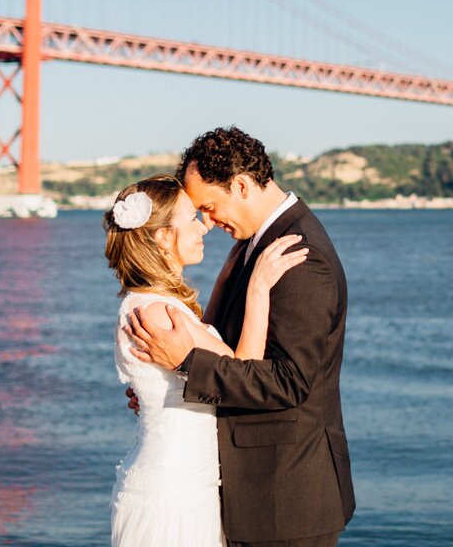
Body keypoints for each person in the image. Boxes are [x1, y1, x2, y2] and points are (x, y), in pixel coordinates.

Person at [125, 127, 356, 547]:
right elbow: (231, 351)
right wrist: (167, 389)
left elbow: (289, 383)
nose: (208, 224)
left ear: (243, 185)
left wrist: (186, 365)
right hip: (251, 493)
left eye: (210, 208)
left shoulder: (299, 258)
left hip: (284, 499)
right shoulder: (254, 244)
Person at [105, 173, 308, 547]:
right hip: (174, 493)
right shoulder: (158, 313)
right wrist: (259, 287)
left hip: (188, 483)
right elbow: (243, 370)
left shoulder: (152, 304)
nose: (204, 228)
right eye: (191, 219)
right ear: (163, 237)